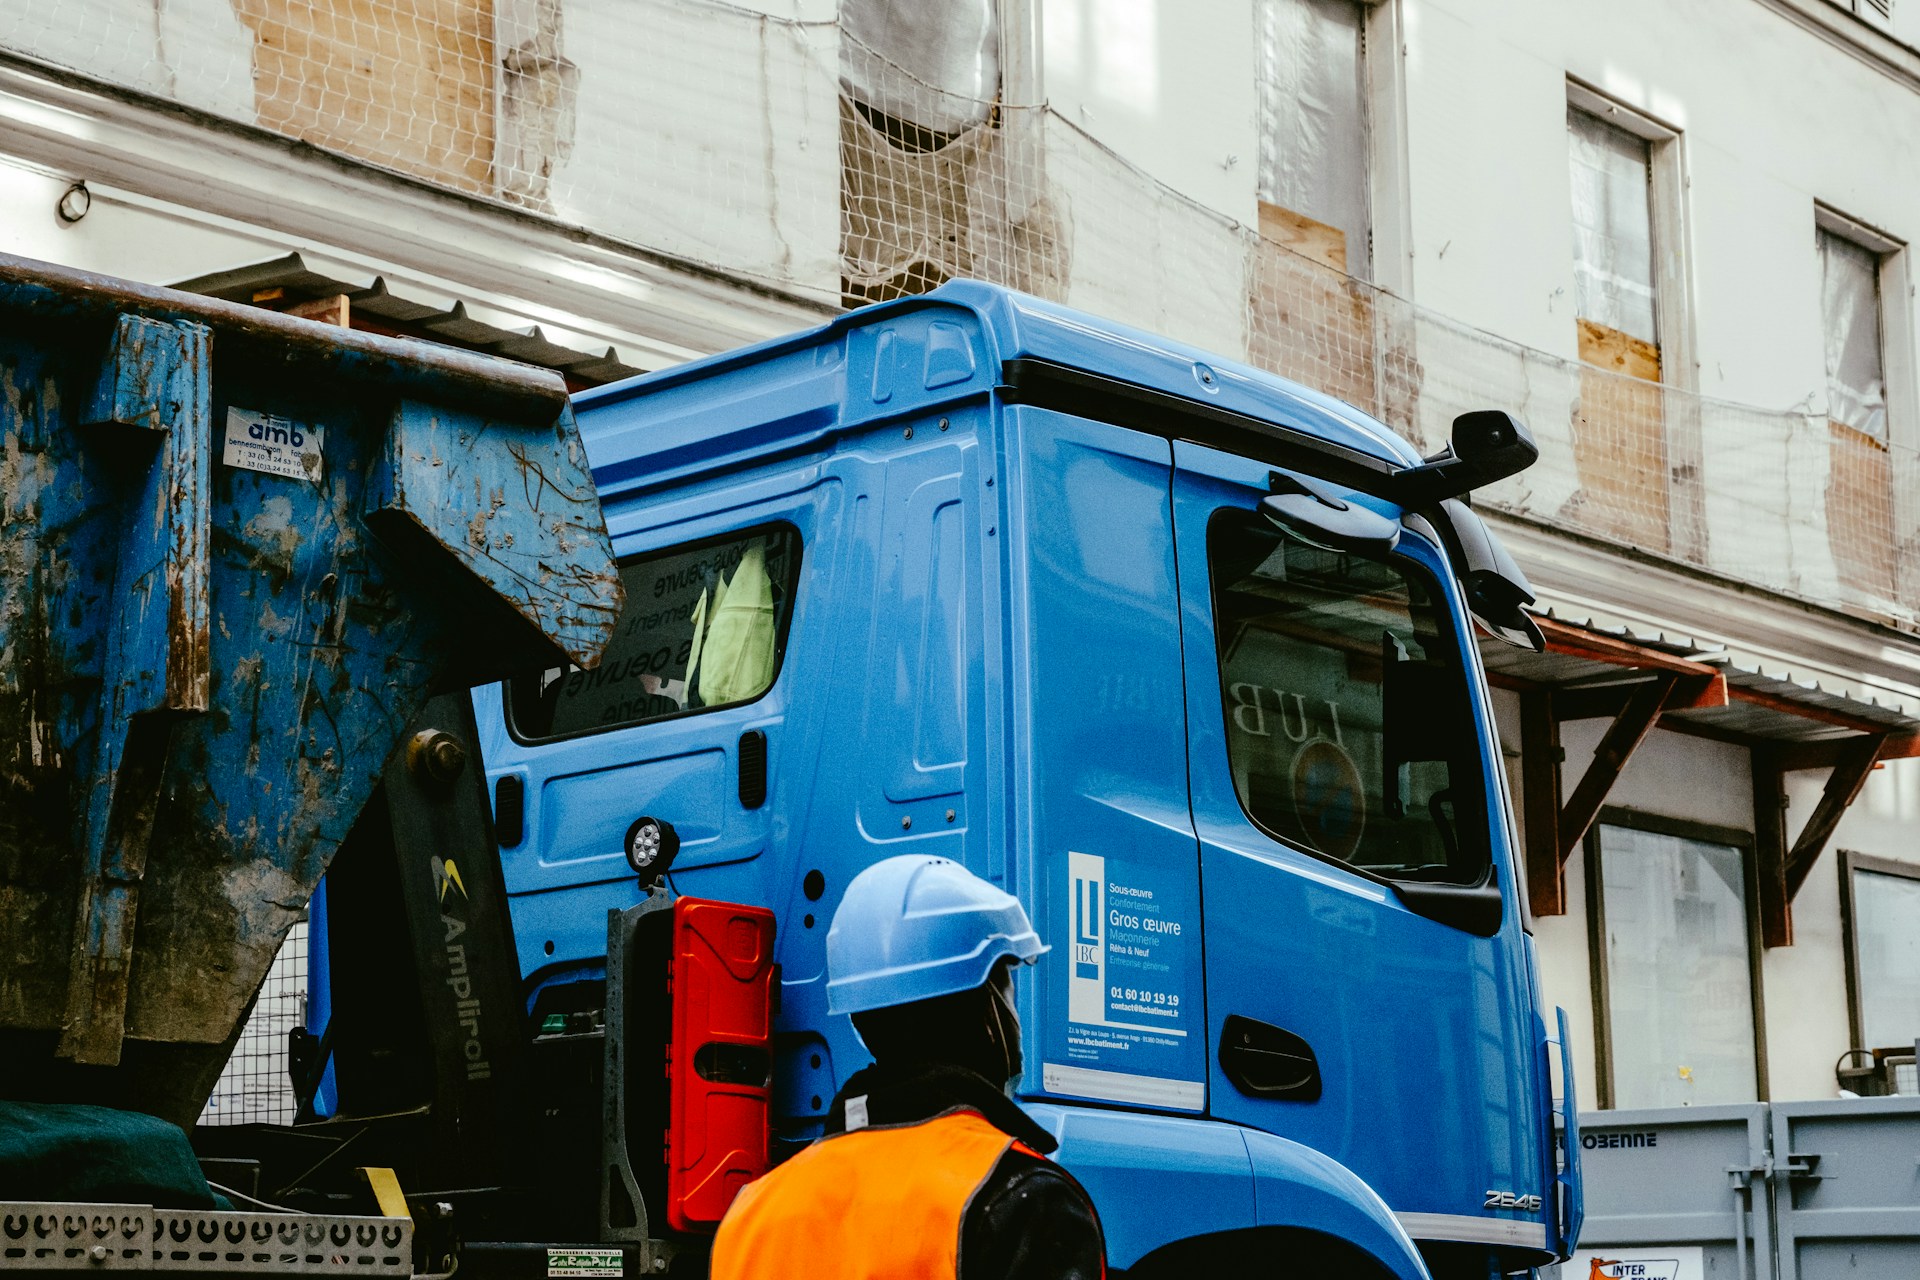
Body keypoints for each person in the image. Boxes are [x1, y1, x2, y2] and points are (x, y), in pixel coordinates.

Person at [710, 855, 1106, 1280]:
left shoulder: (751, 1213)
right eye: (1006, 984)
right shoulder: (1022, 1199)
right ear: (987, 1011)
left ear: (862, 1018)